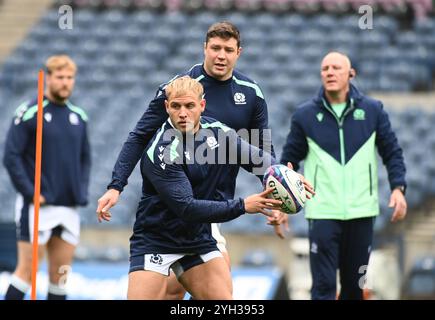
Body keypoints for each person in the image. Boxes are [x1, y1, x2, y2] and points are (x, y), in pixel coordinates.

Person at [96, 21, 305, 299]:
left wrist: (279, 186)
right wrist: (116, 185)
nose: (221, 55)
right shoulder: (179, 91)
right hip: (169, 215)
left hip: (210, 213)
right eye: (215, 48)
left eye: (228, 49)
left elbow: (259, 151)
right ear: (204, 48)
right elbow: (139, 136)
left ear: (238, 52)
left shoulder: (250, 95)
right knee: (171, 293)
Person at [279, 52, 407, 300]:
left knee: (354, 288)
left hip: (362, 213)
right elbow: (288, 163)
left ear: (351, 74)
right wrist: (282, 202)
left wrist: (398, 188)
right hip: (322, 212)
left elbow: (392, 152)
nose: (329, 72)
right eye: (325, 68)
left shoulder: (373, 111)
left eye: (336, 67)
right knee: (323, 287)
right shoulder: (304, 115)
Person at [3, 55, 91, 300]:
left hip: (68, 207)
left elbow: (85, 159)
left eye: (69, 78)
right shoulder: (30, 112)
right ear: (48, 78)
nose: (65, 82)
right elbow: (11, 156)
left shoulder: (79, 116)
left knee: (60, 276)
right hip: (38, 207)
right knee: (26, 272)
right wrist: (30, 191)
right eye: (60, 77)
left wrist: (81, 192)